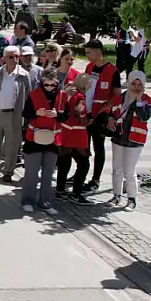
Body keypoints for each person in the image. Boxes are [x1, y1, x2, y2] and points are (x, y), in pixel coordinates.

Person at [106, 70, 151, 211]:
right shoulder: (120, 98)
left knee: (129, 171)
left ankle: (132, 199)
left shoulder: (148, 101)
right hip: (119, 137)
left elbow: (144, 117)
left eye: (139, 84)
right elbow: (111, 112)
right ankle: (116, 196)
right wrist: (110, 118)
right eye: (133, 84)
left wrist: (139, 101)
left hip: (135, 139)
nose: (136, 87)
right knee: (117, 170)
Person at [21, 67, 68, 215]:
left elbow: (66, 116)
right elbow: (25, 112)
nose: (49, 88)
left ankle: (45, 202)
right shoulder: (34, 94)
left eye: (52, 85)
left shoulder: (62, 96)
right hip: (34, 139)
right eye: (46, 84)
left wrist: (56, 115)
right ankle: (28, 201)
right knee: (32, 173)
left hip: (53, 140)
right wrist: (36, 113)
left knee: (48, 174)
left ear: (57, 83)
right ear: (42, 83)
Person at [0, 46, 30, 181]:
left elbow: (27, 96)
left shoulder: (23, 75)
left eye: (17, 56)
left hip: (14, 115)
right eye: (11, 57)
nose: (15, 59)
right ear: (4, 59)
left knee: (12, 145)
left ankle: (8, 172)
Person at [82, 40, 120, 193]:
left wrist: (106, 113)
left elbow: (116, 96)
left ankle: (95, 179)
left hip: (101, 115)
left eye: (89, 52)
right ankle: (81, 173)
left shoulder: (112, 70)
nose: (87, 55)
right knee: (83, 147)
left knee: (98, 147)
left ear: (98, 52)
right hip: (86, 112)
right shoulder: (89, 67)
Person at [56, 73, 93, 204]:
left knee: (64, 162)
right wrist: (89, 120)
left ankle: (60, 189)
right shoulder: (80, 97)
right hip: (77, 135)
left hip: (65, 132)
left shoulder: (66, 92)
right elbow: (80, 116)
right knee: (84, 164)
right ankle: (76, 194)